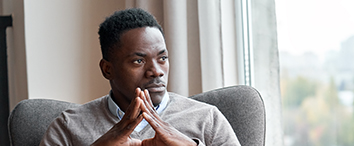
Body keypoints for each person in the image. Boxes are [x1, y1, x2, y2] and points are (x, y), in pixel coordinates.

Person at [40, 8, 241, 146]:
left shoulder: (207, 119)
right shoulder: (68, 127)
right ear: (107, 69)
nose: (156, 71)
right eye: (138, 61)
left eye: (162, 58)